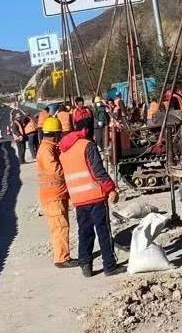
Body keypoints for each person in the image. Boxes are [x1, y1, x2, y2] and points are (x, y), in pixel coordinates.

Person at [59, 112, 120, 277]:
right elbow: (98, 171)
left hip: (78, 199)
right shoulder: (87, 145)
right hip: (95, 196)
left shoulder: (64, 150)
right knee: (103, 231)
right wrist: (111, 188)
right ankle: (109, 266)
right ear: (86, 130)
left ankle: (85, 265)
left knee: (84, 232)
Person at [35, 118, 72, 268]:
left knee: (62, 225)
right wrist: (70, 170)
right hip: (52, 196)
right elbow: (55, 170)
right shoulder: (46, 150)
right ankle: (62, 258)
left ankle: (63, 256)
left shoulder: (49, 147)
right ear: (55, 134)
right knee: (60, 227)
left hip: (57, 194)